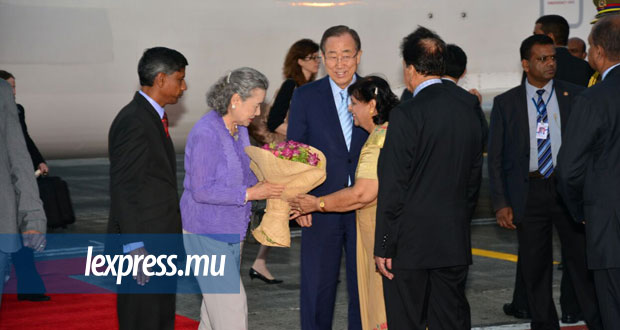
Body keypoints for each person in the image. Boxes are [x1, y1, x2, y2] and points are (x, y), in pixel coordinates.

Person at [487, 34, 602, 330]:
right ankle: (543, 323)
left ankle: (596, 320)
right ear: (526, 64)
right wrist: (501, 202)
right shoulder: (506, 102)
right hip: (529, 190)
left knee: (580, 262)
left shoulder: (575, 95)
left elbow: (590, 148)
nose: (550, 63)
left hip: (567, 189)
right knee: (535, 266)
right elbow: (496, 157)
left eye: (553, 58)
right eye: (542, 59)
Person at [374, 26, 484, 330]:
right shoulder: (469, 107)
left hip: (410, 244)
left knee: (407, 320)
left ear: (410, 69)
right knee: (450, 319)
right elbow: (474, 176)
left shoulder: (407, 113)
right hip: (453, 238)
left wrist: (384, 244)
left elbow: (394, 184)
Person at [290, 76, 398, 330]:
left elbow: (361, 193)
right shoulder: (395, 133)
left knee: (377, 303)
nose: (350, 109)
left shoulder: (377, 142)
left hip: (375, 230)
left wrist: (317, 204)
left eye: (354, 103)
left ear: (371, 106)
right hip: (385, 229)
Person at [180, 67, 284, 330]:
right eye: (256, 105)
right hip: (205, 234)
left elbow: (242, 174)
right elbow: (201, 190)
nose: (258, 113)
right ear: (235, 99)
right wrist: (251, 193)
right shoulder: (207, 133)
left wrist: (270, 183)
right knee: (231, 313)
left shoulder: (239, 128)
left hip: (230, 232)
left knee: (213, 314)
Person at [288, 25, 367, 330]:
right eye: (331, 56)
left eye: (346, 55)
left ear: (358, 56)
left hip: (365, 205)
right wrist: (298, 204)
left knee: (364, 289)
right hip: (319, 206)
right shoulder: (306, 96)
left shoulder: (375, 92)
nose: (339, 63)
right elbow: (295, 153)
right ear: (322, 57)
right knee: (317, 289)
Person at [107, 47, 187, 330]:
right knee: (143, 319)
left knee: (160, 318)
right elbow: (125, 188)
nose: (184, 86)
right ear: (161, 79)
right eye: (180, 79)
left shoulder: (151, 118)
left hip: (158, 242)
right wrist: (134, 245)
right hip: (143, 248)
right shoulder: (134, 121)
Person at [556, 14, 620, 329]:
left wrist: (580, 210)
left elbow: (568, 168)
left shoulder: (594, 98)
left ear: (597, 52)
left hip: (610, 226)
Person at [247, 39, 320, 285]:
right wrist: (304, 135)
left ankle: (260, 262)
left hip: (298, 154)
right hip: (290, 155)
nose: (317, 61)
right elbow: (275, 121)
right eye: (312, 57)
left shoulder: (311, 87)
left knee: (290, 209)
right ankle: (261, 261)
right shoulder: (292, 85)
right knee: (289, 208)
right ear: (299, 60)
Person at [0, 70, 49, 302]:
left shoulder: (14, 108)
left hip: (8, 205)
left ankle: (30, 287)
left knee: (22, 249)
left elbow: (22, 145)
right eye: (11, 86)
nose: (13, 91)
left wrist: (39, 159)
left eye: (14, 87)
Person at [441, 44, 488, 144]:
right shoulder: (470, 100)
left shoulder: (425, 94)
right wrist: (477, 105)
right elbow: (483, 136)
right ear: (464, 72)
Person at [534, 15, 594, 86]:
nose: (534, 40)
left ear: (550, 37)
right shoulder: (587, 68)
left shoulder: (535, 66)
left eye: (537, 35)